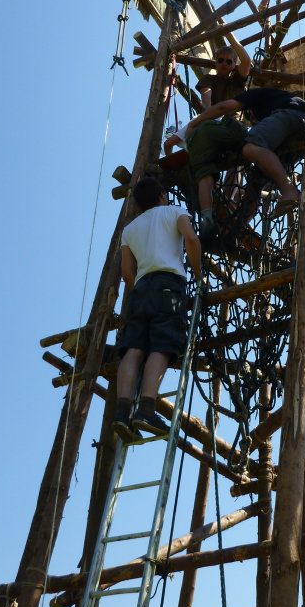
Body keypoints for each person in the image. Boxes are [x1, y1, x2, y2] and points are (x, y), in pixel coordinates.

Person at [112, 176, 202, 441]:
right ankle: (147, 409)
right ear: (162, 195)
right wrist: (198, 275)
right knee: (162, 345)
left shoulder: (130, 229)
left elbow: (127, 272)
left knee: (133, 349)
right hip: (168, 283)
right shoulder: (175, 211)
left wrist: (139, 290)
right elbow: (192, 240)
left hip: (140, 289)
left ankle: (122, 411)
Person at [187, 86, 305, 221]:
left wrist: (194, 122)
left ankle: (289, 190)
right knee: (258, 176)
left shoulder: (257, 94)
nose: (253, 122)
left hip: (291, 114)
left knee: (251, 146)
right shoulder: (275, 103)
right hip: (301, 128)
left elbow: (224, 107)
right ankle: (239, 227)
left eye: (250, 117)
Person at [196, 41, 251, 108]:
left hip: (234, 116)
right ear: (216, 62)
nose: (224, 64)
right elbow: (206, 95)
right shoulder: (208, 79)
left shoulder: (237, 79)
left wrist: (228, 34)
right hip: (215, 115)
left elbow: (246, 61)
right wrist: (208, 112)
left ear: (234, 65)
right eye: (220, 60)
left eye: (229, 62)